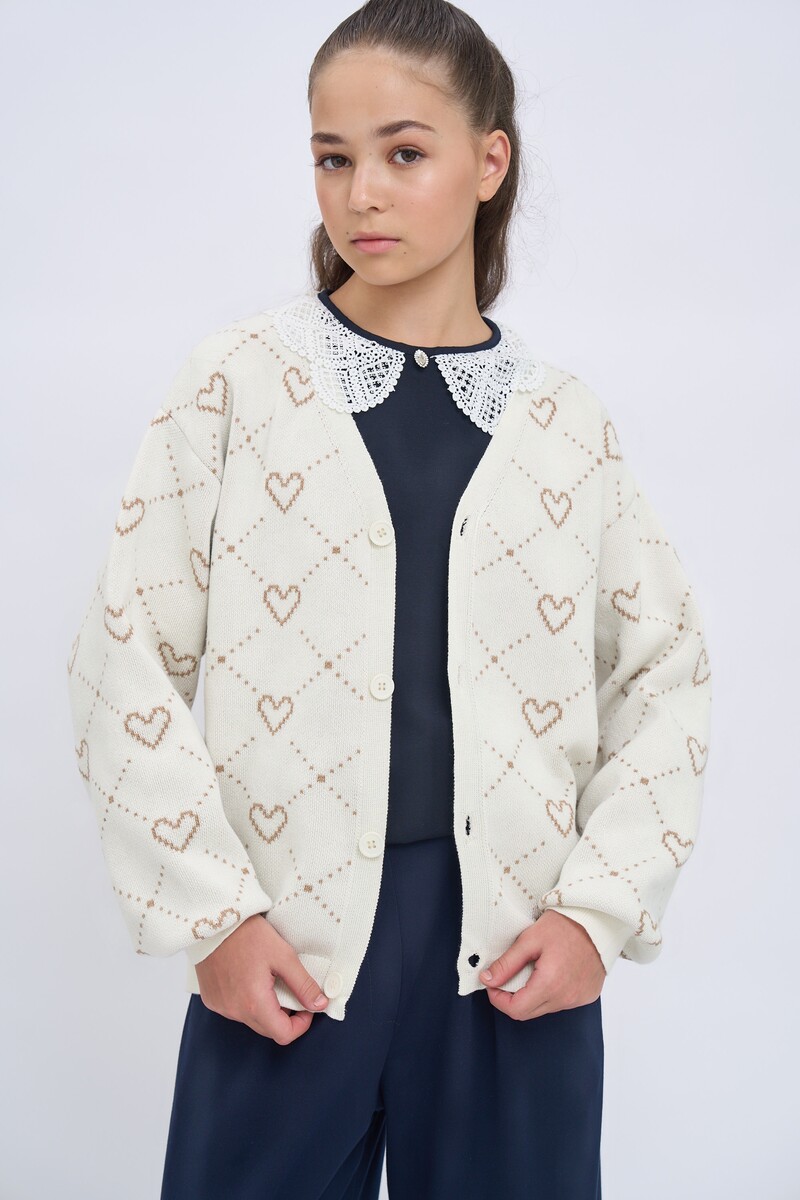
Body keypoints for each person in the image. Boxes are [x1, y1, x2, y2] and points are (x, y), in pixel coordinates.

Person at [65, 0, 712, 1196]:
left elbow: (664, 677)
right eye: (332, 158)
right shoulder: (238, 386)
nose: (360, 193)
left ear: (487, 161)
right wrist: (214, 918)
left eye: (403, 153)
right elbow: (123, 656)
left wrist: (596, 914)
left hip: (512, 963)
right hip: (289, 956)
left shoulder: (564, 425)